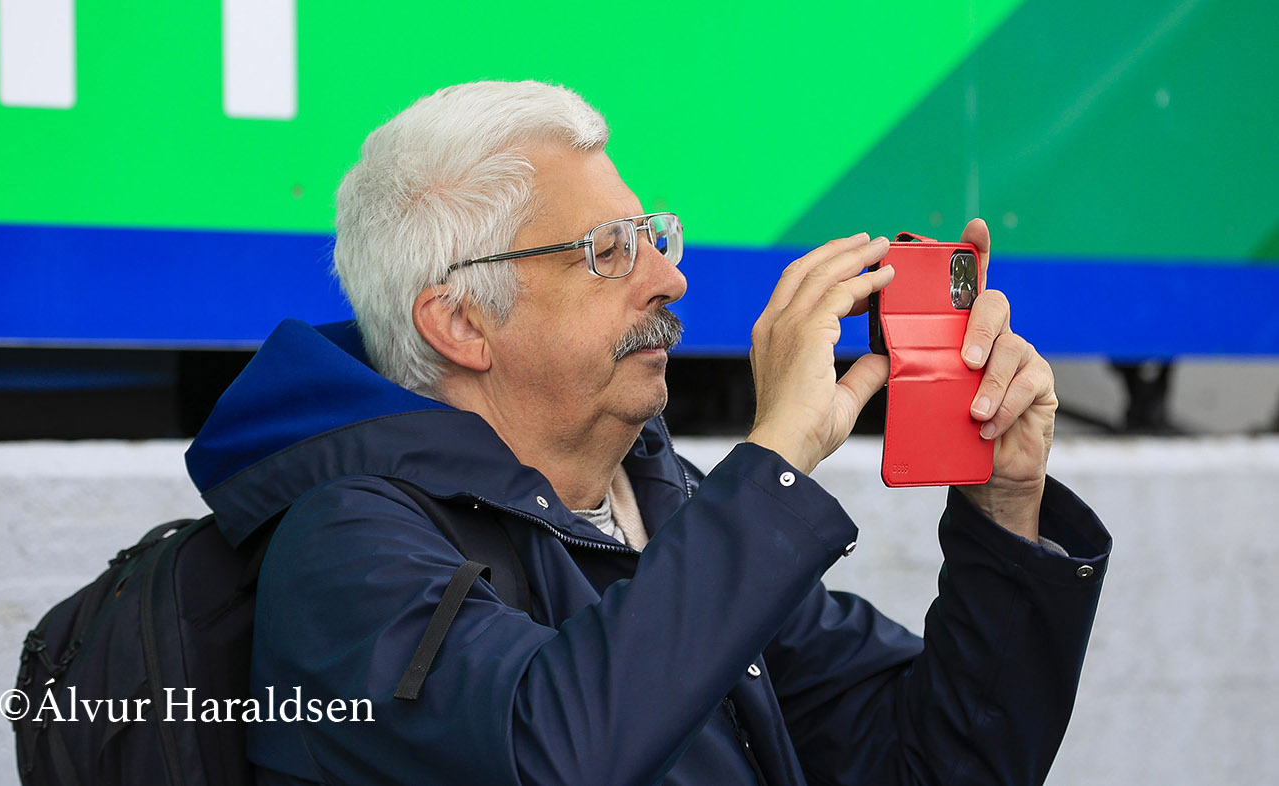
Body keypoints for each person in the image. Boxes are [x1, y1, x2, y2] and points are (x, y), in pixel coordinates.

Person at [185, 80, 1110, 786]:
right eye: (607, 252)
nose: (668, 280)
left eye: (653, 237)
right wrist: (776, 462)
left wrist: (1005, 515)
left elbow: (938, 763)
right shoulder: (344, 548)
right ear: (461, 322)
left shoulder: (670, 503)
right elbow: (545, 755)